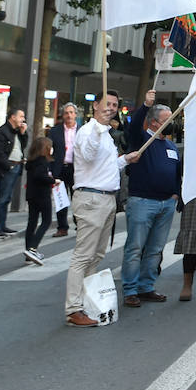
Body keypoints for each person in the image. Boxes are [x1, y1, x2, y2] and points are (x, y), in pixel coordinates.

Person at [65, 94, 140, 327]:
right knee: (83, 256)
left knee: (95, 255)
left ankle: (87, 301)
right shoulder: (89, 131)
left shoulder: (106, 134)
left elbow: (106, 166)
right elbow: (87, 156)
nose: (111, 108)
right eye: (106, 104)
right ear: (95, 106)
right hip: (91, 198)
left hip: (106, 199)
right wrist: (99, 129)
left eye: (115, 105)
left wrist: (126, 159)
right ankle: (73, 308)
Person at [123, 102, 179, 306]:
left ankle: (146, 286)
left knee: (155, 249)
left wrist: (176, 193)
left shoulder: (171, 146)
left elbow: (177, 172)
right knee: (136, 247)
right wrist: (146, 105)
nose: (172, 123)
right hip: (143, 201)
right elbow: (135, 125)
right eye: (167, 120)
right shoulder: (142, 140)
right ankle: (130, 288)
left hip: (166, 203)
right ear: (154, 123)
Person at [0, 108, 28, 237]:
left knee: (7, 198)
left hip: (16, 166)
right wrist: (8, 166)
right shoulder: (2, 132)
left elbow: (22, 146)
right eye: (21, 116)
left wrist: (23, 133)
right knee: (1, 198)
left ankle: (2, 225)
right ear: (13, 117)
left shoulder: (16, 132)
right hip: (7, 168)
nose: (23, 119)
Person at [23, 135, 56, 266]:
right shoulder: (42, 161)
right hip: (42, 195)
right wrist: (53, 180)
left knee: (32, 222)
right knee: (46, 221)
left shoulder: (31, 162)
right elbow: (40, 176)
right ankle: (33, 248)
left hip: (32, 195)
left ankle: (28, 251)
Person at [48, 103, 79, 237]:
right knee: (61, 199)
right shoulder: (54, 131)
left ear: (76, 115)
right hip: (59, 168)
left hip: (76, 169)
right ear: (63, 115)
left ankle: (80, 225)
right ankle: (62, 227)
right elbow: (48, 151)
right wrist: (49, 170)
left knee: (77, 199)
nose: (69, 115)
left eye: (71, 112)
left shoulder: (83, 131)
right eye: (66, 113)